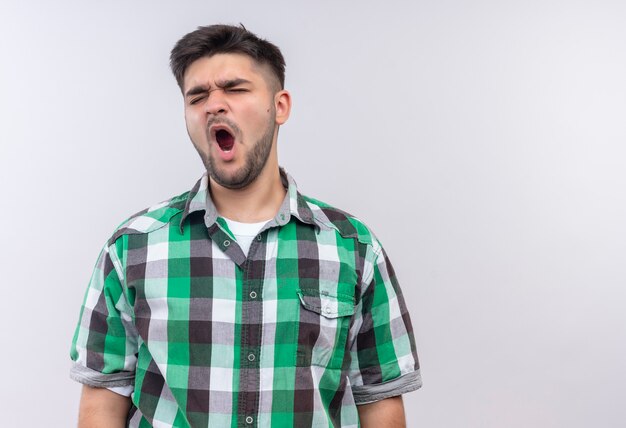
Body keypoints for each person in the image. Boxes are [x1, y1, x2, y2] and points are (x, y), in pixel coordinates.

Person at [70, 24, 421, 428]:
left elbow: (379, 401)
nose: (213, 105)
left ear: (281, 106)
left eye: (235, 89)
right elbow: (102, 401)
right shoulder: (132, 248)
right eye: (197, 96)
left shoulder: (354, 248)